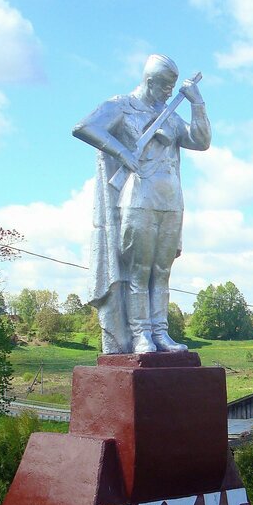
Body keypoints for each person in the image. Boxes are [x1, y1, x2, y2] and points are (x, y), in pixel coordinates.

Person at [73, 55, 211, 353]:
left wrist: (197, 103)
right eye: (165, 86)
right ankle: (140, 335)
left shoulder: (169, 114)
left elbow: (201, 141)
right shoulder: (122, 105)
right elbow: (85, 127)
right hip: (138, 197)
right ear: (150, 81)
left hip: (170, 198)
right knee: (139, 270)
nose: (169, 93)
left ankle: (160, 332)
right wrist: (122, 152)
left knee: (162, 271)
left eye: (173, 87)